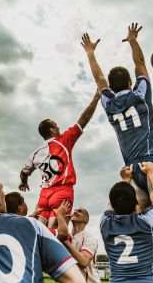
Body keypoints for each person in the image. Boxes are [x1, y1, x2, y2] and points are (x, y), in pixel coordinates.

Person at [81, 24, 153, 283]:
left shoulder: (109, 103)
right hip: (152, 165)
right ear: (129, 81)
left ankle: (141, 276)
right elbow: (140, 64)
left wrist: (90, 53)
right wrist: (133, 42)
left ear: (111, 87)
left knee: (139, 217)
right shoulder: (140, 94)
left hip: (130, 169)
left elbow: (98, 78)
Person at [20, 90, 101, 228]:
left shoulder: (34, 154)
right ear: (52, 130)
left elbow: (24, 172)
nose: (58, 126)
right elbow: (84, 119)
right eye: (56, 125)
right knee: (56, 234)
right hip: (62, 192)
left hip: (44, 196)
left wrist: (24, 182)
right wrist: (96, 98)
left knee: (42, 232)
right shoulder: (63, 141)